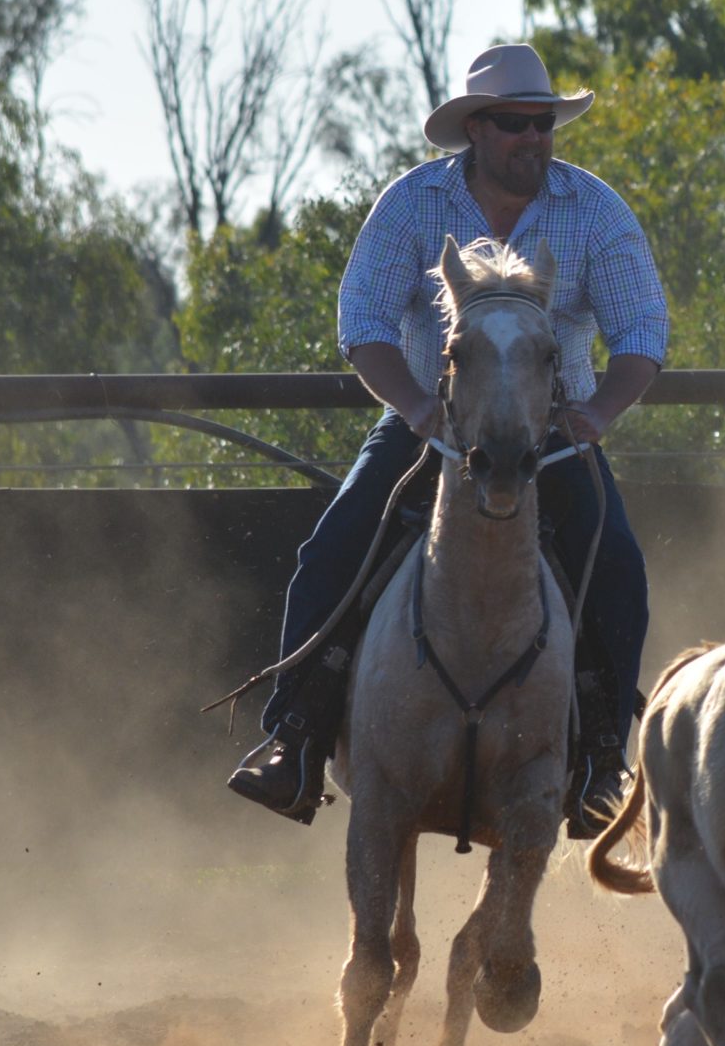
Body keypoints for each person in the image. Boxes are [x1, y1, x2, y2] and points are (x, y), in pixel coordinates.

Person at [228, 42, 667, 835]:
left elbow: (643, 333)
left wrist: (596, 414)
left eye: (543, 123)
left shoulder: (595, 210)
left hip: (552, 436)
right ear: (476, 129)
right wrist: (416, 409)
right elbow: (361, 324)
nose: (533, 137)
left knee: (620, 569)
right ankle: (291, 740)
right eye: (515, 123)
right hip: (426, 423)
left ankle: (603, 758)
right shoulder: (410, 203)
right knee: (332, 551)